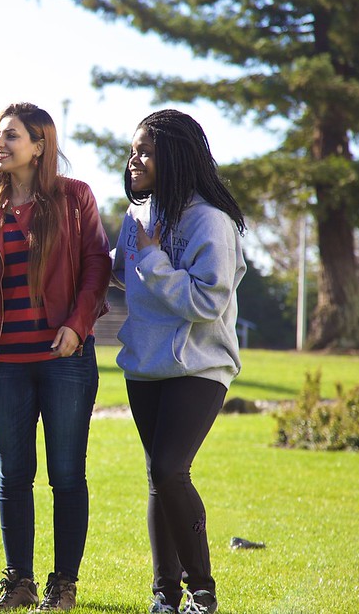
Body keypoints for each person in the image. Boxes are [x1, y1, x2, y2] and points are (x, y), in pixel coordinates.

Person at [0, 103, 111, 612]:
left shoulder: (74, 198)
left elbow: (97, 267)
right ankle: (18, 584)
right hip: (4, 364)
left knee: (66, 474)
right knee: (13, 476)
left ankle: (63, 585)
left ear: (40, 144)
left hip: (64, 358)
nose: (0, 144)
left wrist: (79, 325)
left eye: (13, 136)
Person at [112, 109, 246, 614]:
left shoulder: (210, 220)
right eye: (132, 151)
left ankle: (201, 592)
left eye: (145, 150)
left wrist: (151, 260)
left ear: (174, 156)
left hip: (199, 367)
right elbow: (125, 271)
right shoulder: (138, 216)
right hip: (146, 366)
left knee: (170, 469)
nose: (134, 160)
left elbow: (207, 301)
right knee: (158, 476)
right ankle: (164, 596)